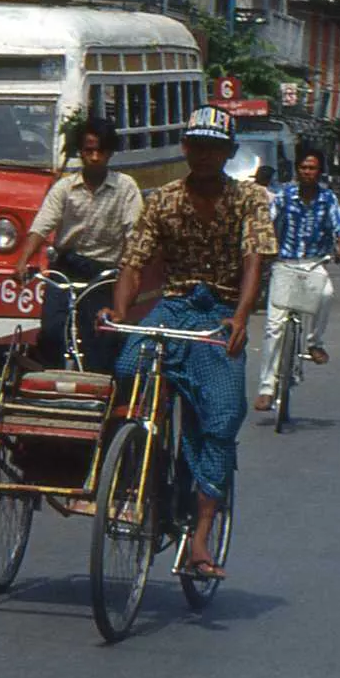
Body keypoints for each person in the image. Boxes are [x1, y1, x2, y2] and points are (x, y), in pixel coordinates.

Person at [104, 106, 275, 581]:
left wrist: (240, 317)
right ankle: (138, 469)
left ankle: (200, 535)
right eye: (196, 145)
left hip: (219, 312)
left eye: (214, 147)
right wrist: (121, 312)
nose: (204, 155)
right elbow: (134, 261)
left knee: (220, 416)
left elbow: (253, 259)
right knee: (127, 366)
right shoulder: (162, 200)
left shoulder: (250, 199)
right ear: (185, 147)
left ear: (229, 152)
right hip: (175, 307)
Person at [13, 117, 143, 372]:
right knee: (52, 330)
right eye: (88, 150)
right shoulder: (65, 188)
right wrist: (22, 260)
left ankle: (100, 391)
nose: (94, 157)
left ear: (110, 153)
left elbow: (134, 237)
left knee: (100, 335)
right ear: (81, 152)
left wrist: (129, 272)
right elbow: (42, 226)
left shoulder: (125, 188)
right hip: (66, 267)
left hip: (104, 273)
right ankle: (50, 385)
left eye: (101, 151)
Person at [254, 145, 340, 412]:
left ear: (319, 172)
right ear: (298, 170)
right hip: (285, 264)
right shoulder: (284, 196)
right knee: (274, 327)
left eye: (313, 168)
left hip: (314, 263)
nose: (308, 172)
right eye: (304, 167)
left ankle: (313, 343)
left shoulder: (328, 199)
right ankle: (266, 387)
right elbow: (268, 224)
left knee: (327, 294)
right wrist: (264, 249)